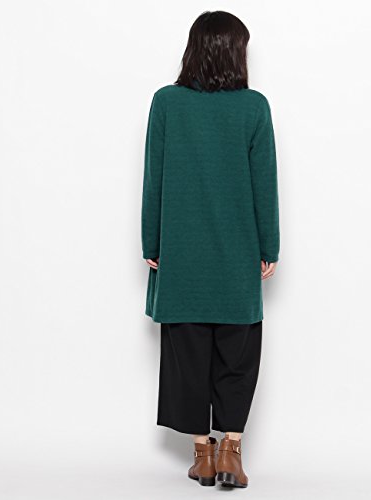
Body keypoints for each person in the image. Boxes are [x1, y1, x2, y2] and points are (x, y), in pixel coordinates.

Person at [141, 10, 280, 488]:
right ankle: (231, 453)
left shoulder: (166, 103)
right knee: (238, 356)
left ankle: (202, 455)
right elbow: (265, 183)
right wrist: (269, 245)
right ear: (234, 53)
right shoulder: (253, 107)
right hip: (238, 252)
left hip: (182, 253)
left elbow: (154, 177)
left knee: (187, 355)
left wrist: (151, 240)